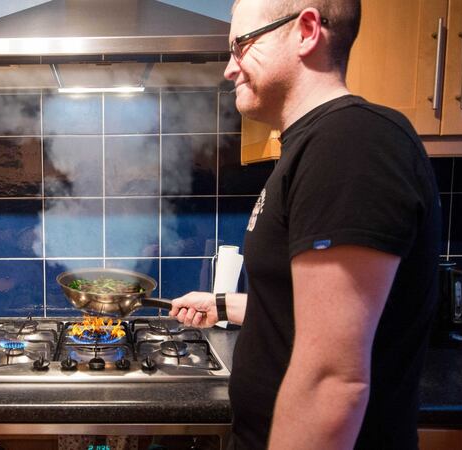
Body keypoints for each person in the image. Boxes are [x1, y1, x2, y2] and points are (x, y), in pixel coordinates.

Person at [170, 1, 441, 449]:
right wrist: (224, 304)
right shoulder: (313, 146)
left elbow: (332, 380)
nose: (229, 69)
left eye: (240, 45)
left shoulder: (352, 143)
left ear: (307, 30)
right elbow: (307, 314)